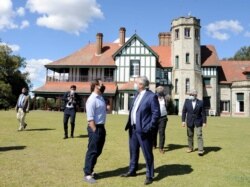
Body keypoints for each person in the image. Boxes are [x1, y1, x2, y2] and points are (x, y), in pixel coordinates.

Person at [121, 76, 160, 185]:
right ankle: (132, 170)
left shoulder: (151, 96)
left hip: (144, 130)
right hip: (133, 129)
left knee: (147, 153)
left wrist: (148, 127)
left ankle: (150, 175)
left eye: (136, 83)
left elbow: (156, 114)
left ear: (141, 85)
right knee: (133, 151)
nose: (134, 84)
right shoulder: (137, 95)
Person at [83, 79, 106, 184]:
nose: (103, 85)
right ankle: (87, 174)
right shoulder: (92, 99)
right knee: (92, 150)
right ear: (96, 86)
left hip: (101, 127)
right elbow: (90, 118)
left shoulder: (100, 97)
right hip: (95, 127)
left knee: (98, 150)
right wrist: (95, 130)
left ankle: (91, 170)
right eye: (101, 84)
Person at [181, 89, 207, 156]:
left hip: (198, 121)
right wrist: (183, 121)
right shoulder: (187, 101)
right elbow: (184, 111)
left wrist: (204, 122)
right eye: (190, 95)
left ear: (195, 95)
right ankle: (190, 148)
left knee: (199, 135)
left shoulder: (201, 102)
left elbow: (203, 113)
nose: (190, 96)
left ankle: (200, 150)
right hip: (189, 121)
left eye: (192, 95)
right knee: (190, 135)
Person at [152, 86, 168, 154]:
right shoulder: (154, 97)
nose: (160, 93)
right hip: (155, 117)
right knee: (153, 132)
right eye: (159, 91)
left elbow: (168, 106)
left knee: (162, 133)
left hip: (163, 118)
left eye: (161, 91)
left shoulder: (166, 98)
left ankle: (161, 148)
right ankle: (153, 145)